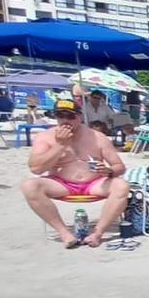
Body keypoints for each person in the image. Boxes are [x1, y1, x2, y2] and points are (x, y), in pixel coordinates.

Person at [20, 99, 129, 248]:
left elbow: (119, 166)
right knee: (29, 186)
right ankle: (64, 233)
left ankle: (97, 233)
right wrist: (59, 146)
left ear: (80, 117)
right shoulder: (45, 137)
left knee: (121, 186)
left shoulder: (97, 137)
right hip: (61, 183)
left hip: (94, 183)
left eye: (71, 116)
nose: (66, 120)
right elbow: (36, 168)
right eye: (60, 115)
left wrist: (109, 171)